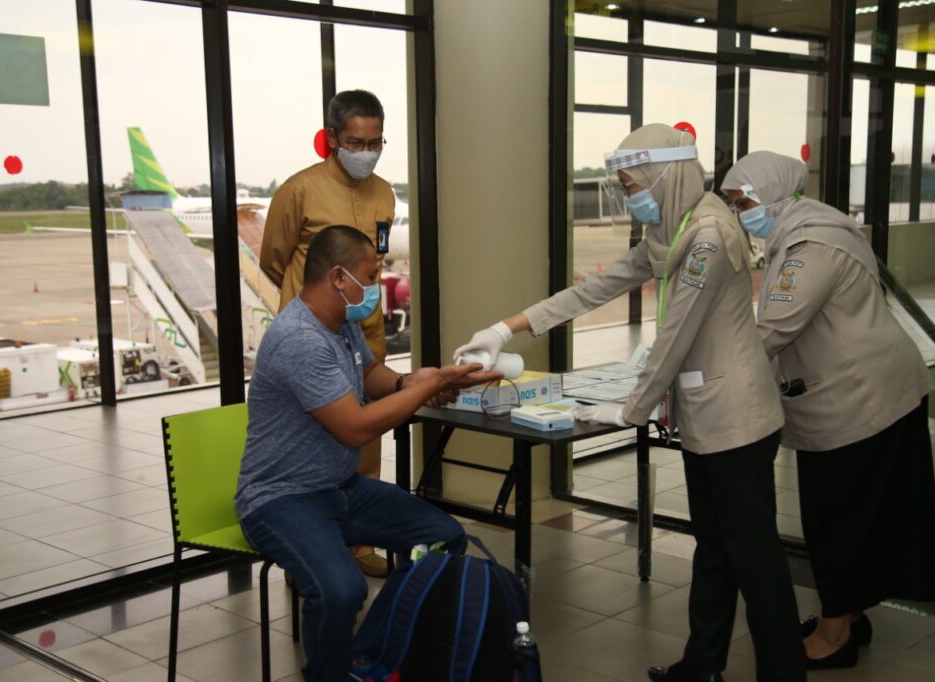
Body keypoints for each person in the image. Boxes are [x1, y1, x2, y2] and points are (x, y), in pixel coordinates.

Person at [455, 124, 806, 682]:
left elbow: (677, 333)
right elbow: (593, 289)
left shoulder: (710, 235)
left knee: (755, 560)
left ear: (666, 176)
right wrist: (505, 328)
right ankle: (701, 668)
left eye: (632, 185)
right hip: (707, 414)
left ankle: (784, 674)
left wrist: (629, 410)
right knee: (715, 549)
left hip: (737, 419)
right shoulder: (672, 231)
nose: (630, 197)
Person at [237, 225, 499, 682]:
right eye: (370, 275)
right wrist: (430, 387)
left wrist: (410, 382)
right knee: (340, 591)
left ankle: (370, 652)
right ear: (339, 277)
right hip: (281, 499)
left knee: (443, 539)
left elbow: (370, 374)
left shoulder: (341, 322)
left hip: (340, 488)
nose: (376, 286)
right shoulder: (300, 338)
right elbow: (355, 428)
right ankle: (330, 674)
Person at [722, 151, 935, 670]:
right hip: (867, 394)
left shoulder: (810, 247)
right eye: (734, 204)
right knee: (857, 515)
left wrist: (707, 371)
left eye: (745, 202)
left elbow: (773, 330)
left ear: (775, 194)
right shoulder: (807, 228)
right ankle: (848, 615)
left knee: (839, 520)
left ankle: (835, 636)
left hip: (862, 401)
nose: (740, 213)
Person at [260, 89, 396, 577]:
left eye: (375, 143)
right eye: (356, 143)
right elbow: (274, 260)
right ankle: (309, 554)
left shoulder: (385, 193)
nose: (366, 153)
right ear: (333, 138)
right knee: (311, 449)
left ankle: (357, 546)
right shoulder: (299, 190)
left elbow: (376, 259)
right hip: (314, 341)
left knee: (364, 444)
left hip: (366, 335)